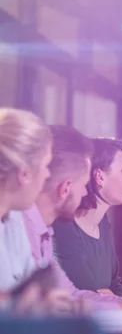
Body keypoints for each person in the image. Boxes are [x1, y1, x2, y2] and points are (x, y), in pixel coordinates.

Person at [23, 126, 122, 309]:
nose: (84, 191)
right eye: (82, 184)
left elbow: (71, 295)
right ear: (65, 188)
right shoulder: (29, 228)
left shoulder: (40, 231)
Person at [0, 107, 81, 316]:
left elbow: (27, 290)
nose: (47, 175)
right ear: (24, 173)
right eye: (46, 166)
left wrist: (47, 301)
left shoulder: (14, 219)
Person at [53, 138, 122, 296]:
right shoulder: (62, 225)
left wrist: (111, 299)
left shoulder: (102, 222)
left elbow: (115, 284)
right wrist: (110, 299)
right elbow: (84, 293)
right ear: (100, 177)